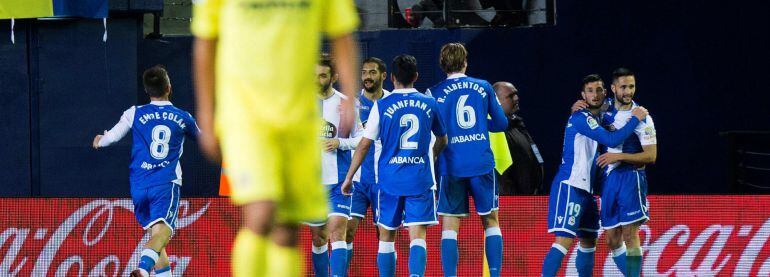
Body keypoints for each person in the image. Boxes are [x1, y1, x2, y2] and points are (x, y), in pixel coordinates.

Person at [190, 0, 360, 276]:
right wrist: (207, 114)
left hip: (300, 120)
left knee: (287, 229)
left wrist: (351, 97)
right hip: (246, 116)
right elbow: (206, 41)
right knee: (262, 213)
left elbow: (342, 33)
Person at [341, 54, 448, 277]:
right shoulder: (430, 103)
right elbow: (442, 139)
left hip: (388, 180)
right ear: (416, 76)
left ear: (390, 77)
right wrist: (432, 158)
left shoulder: (382, 105)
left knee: (387, 236)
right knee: (417, 236)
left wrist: (349, 177)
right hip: (420, 179)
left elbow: (363, 145)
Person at [92, 65, 199, 277]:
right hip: (165, 183)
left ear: (147, 91)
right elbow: (207, 141)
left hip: (139, 186)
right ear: (169, 87)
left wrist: (98, 141)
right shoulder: (183, 117)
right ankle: (142, 269)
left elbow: (109, 139)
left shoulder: (134, 112)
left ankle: (154, 270)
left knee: (155, 237)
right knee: (163, 232)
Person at [541, 74, 648, 277]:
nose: (595, 94)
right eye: (590, 91)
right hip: (570, 185)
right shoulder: (581, 118)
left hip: (586, 191)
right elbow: (611, 137)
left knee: (589, 241)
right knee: (563, 241)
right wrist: (635, 118)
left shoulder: (598, 113)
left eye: (599, 90)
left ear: (605, 92)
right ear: (583, 95)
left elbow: (616, 103)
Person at [426, 43, 508, 277]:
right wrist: (482, 124)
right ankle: (494, 274)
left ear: (442, 65)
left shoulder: (433, 92)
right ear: (465, 62)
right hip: (481, 163)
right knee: (491, 221)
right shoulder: (483, 87)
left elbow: (431, 130)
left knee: (450, 226)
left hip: (451, 165)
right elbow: (502, 124)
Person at [597, 68, 657, 277]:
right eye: (623, 86)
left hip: (631, 178)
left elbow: (651, 156)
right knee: (612, 239)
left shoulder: (642, 117)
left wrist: (618, 157)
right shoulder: (604, 111)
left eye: (631, 86)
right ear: (613, 88)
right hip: (610, 180)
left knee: (631, 236)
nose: (628, 91)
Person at [306, 56, 359, 277]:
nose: (318, 80)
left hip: (340, 181)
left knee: (338, 230)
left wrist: (340, 142)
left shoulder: (346, 103)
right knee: (318, 237)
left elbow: (362, 137)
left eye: (323, 75)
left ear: (334, 77)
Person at [345, 56, 390, 270]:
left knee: (385, 234)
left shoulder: (392, 102)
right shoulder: (351, 105)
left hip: (384, 181)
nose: (367, 77)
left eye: (372, 72)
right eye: (364, 72)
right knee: (346, 231)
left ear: (384, 75)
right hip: (357, 182)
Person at [492, 81, 544, 195]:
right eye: (510, 96)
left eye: (516, 94)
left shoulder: (517, 124)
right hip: (513, 204)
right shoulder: (495, 131)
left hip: (530, 198)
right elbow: (501, 174)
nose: (516, 98)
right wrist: (511, 203)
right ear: (497, 101)